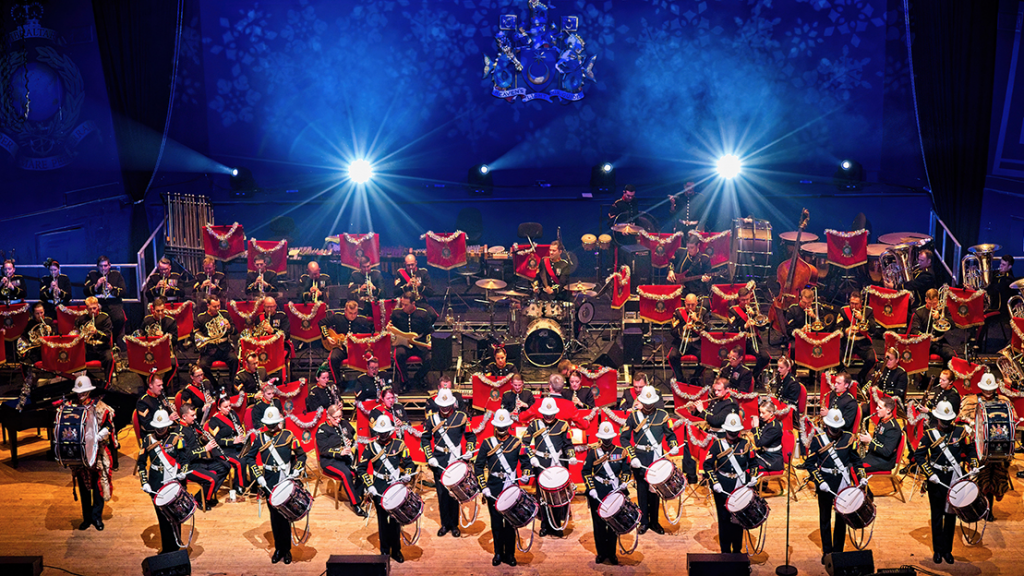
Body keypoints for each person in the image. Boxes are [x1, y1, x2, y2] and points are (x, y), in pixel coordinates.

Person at [621, 386, 690, 535]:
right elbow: (624, 438)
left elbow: (670, 435)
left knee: (655, 491)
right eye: (645, 402)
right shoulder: (634, 416)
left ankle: (654, 522)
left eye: (650, 402)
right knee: (642, 491)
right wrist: (632, 456)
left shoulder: (662, 415)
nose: (648, 405)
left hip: (657, 457)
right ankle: (644, 522)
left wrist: (673, 445)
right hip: (640, 458)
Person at [916, 400, 978, 565]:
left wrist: (974, 464)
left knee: (951, 515)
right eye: (943, 421)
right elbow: (919, 455)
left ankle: (947, 550)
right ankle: (937, 550)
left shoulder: (961, 432)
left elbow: (970, 450)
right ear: (937, 419)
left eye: (948, 421)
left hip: (954, 478)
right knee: (937, 515)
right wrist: (929, 474)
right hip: (936, 479)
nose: (945, 424)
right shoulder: (930, 435)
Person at [243, 406, 307, 564]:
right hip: (268, 480)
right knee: (274, 516)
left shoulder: (288, 436)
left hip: (285, 478)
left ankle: (287, 550)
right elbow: (249, 458)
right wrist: (258, 476)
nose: (271, 427)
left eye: (273, 424)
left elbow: (302, 455)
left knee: (286, 515)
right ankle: (279, 549)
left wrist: (297, 470)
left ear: (279, 422)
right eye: (269, 424)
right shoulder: (260, 438)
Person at [805, 408, 867, 563]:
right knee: (825, 517)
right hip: (825, 481)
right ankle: (827, 551)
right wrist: (820, 481)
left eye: (837, 428)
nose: (835, 431)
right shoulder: (818, 439)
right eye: (833, 428)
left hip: (843, 481)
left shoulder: (849, 438)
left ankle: (838, 551)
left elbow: (857, 461)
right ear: (827, 425)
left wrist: (862, 477)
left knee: (842, 518)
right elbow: (810, 464)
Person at [475, 409, 531, 567]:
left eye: (504, 426)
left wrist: (526, 474)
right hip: (493, 488)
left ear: (509, 426)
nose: (501, 429)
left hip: (511, 486)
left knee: (511, 522)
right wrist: (483, 487)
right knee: (497, 523)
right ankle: (498, 552)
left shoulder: (517, 443)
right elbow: (478, 466)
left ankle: (510, 554)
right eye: (499, 426)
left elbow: (526, 464)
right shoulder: (487, 443)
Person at [358, 415, 414, 563]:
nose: (382, 436)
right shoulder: (370, 447)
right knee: (382, 520)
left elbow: (409, 463)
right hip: (379, 486)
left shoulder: (399, 445)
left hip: (395, 485)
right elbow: (361, 468)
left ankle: (396, 550)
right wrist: (369, 485)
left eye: (385, 432)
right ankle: (384, 549)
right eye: (380, 433)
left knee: (395, 519)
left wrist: (407, 474)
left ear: (390, 431)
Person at [423, 389, 477, 537]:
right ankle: (444, 524)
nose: (445, 408)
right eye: (442, 405)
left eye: (447, 405)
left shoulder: (461, 417)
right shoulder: (432, 419)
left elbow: (471, 436)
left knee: (454, 494)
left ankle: (454, 525)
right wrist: (429, 457)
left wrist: (469, 450)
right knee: (442, 494)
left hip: (456, 459)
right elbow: (425, 439)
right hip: (439, 459)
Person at [64, 376, 115, 531]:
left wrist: (99, 436)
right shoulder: (71, 407)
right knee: (84, 488)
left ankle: (96, 517)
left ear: (89, 391)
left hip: (97, 453)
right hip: (80, 454)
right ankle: (86, 518)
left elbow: (109, 425)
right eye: (79, 392)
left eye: (84, 391)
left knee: (98, 486)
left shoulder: (99, 407)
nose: (81, 394)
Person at [137, 409, 189, 554]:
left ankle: (176, 547)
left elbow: (185, 460)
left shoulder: (176, 439)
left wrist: (183, 472)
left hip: (172, 482)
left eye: (163, 427)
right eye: (158, 428)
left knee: (175, 516)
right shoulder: (148, 440)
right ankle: (167, 549)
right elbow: (141, 463)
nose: (160, 430)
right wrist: (144, 482)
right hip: (156, 483)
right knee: (163, 518)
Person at [705, 413, 757, 553]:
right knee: (724, 518)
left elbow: (753, 463)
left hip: (740, 484)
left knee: (739, 518)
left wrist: (753, 477)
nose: (733, 434)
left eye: (735, 431)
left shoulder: (746, 444)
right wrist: (715, 482)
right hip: (722, 485)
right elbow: (707, 465)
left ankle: (737, 549)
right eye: (730, 431)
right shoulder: (717, 445)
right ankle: (725, 551)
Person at [960, 373, 1009, 519]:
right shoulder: (970, 400)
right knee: (979, 477)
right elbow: (962, 418)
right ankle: (976, 508)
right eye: (986, 389)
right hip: (977, 446)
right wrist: (970, 425)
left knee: (994, 479)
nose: (988, 392)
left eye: (990, 389)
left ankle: (988, 510)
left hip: (998, 447)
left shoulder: (1004, 401)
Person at [525, 397, 575, 537]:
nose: (548, 417)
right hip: (540, 463)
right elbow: (525, 443)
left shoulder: (563, 425)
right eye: (546, 414)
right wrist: (532, 457)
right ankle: (545, 525)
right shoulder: (535, 425)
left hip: (557, 463)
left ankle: (557, 525)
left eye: (551, 414)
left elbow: (568, 445)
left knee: (557, 496)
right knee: (542, 496)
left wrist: (571, 456)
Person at [583, 421, 631, 565]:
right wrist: (591, 488)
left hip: (614, 489)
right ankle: (601, 553)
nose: (606, 441)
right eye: (604, 438)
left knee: (613, 523)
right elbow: (586, 471)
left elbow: (626, 470)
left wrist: (624, 482)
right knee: (598, 523)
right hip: (598, 490)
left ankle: (611, 553)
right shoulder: (593, 453)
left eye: (609, 438)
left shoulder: (620, 452)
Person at [316, 403, 366, 517]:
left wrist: (349, 441)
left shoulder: (343, 423)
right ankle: (355, 504)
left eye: (340, 416)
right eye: (335, 418)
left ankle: (359, 495)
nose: (338, 420)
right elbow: (323, 450)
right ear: (328, 416)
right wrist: (339, 452)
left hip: (344, 458)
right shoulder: (322, 430)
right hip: (329, 461)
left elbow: (352, 435)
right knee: (346, 474)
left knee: (361, 469)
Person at [179, 402, 228, 511]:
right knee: (212, 479)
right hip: (190, 466)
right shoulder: (180, 433)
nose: (195, 417)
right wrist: (205, 449)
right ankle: (201, 500)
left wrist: (203, 440)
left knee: (225, 467)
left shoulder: (191, 425)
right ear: (184, 416)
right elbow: (187, 456)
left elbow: (196, 443)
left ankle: (205, 495)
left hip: (199, 460)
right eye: (192, 415)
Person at [320, 299, 374, 384]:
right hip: (341, 348)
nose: (353, 316)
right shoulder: (338, 317)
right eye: (350, 313)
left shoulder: (362, 321)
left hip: (357, 349)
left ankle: (367, 382)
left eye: (355, 313)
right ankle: (338, 382)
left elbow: (370, 334)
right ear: (345, 310)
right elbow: (322, 323)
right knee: (333, 358)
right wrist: (327, 336)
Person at [388, 291, 434, 392]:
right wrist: (389, 328)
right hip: (403, 343)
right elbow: (391, 327)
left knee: (431, 358)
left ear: (413, 303)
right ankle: (404, 381)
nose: (403, 307)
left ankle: (419, 377)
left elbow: (430, 331)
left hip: (419, 343)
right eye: (402, 304)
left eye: (406, 305)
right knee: (398, 355)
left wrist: (429, 342)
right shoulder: (396, 313)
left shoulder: (423, 314)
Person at [911, 288, 957, 385]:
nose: (933, 306)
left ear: (938, 301)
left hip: (939, 341)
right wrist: (924, 336)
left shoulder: (943, 310)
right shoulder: (919, 312)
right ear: (926, 300)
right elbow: (914, 330)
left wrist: (940, 317)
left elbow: (952, 325)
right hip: (924, 343)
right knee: (920, 356)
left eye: (935, 303)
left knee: (950, 355)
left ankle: (944, 380)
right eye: (930, 303)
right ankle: (923, 382)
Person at [728, 287, 770, 382]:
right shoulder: (733, 311)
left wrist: (754, 315)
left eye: (747, 299)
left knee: (765, 357)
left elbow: (763, 328)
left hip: (753, 340)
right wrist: (745, 326)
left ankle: (752, 378)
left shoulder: (754, 310)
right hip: (740, 341)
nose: (746, 302)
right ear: (739, 299)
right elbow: (731, 330)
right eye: (743, 300)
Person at [208, 396, 249, 493]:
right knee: (240, 462)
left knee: (249, 456)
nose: (229, 408)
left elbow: (238, 427)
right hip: (222, 450)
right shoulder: (214, 420)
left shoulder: (232, 414)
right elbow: (216, 441)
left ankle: (249, 482)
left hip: (234, 446)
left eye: (230, 405)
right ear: (219, 407)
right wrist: (233, 441)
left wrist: (240, 432)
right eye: (225, 407)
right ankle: (239, 486)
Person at [195, 295, 238, 389]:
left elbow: (235, 331)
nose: (217, 308)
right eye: (214, 306)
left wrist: (229, 327)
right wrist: (203, 340)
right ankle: (215, 385)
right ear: (208, 305)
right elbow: (195, 334)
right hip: (209, 349)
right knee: (203, 365)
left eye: (219, 306)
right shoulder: (201, 317)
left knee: (234, 360)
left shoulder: (225, 314)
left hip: (225, 347)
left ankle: (231, 384)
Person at [835, 289, 877, 385]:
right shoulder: (843, 310)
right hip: (847, 342)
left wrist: (862, 319)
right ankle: (844, 376)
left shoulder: (868, 311)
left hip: (862, 343)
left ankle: (861, 376)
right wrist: (846, 330)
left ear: (861, 302)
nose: (853, 306)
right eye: (851, 303)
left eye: (856, 304)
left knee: (871, 359)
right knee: (836, 357)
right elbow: (837, 328)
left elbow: (873, 330)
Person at [84, 256, 127, 344]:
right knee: (95, 319)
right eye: (101, 266)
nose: (103, 268)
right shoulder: (92, 275)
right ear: (97, 266)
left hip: (113, 303)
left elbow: (124, 292)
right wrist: (96, 285)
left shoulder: (116, 275)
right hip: (98, 303)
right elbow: (85, 291)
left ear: (109, 265)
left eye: (105, 266)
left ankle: (114, 340)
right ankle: (99, 340)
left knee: (119, 318)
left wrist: (112, 289)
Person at [859, 397, 902, 480]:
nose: (876, 409)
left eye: (880, 407)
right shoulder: (883, 420)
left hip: (884, 461)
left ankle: (862, 488)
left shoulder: (893, 428)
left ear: (888, 410)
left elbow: (887, 452)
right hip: (876, 455)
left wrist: (870, 441)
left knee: (855, 467)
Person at [75, 296, 114, 387]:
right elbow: (76, 333)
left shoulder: (105, 318)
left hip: (102, 348)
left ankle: (107, 384)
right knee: (75, 357)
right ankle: (84, 381)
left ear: (98, 307)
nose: (92, 311)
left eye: (94, 308)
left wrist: (97, 332)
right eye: (90, 309)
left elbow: (107, 336)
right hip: (88, 348)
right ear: (86, 309)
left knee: (109, 359)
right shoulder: (81, 319)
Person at [668, 294, 705, 385]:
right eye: (688, 305)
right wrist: (683, 328)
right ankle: (680, 379)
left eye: (693, 305)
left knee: (705, 358)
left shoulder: (703, 312)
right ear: (684, 303)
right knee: (672, 356)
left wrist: (697, 319)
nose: (690, 307)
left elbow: (708, 330)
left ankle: (694, 378)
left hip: (696, 343)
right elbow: (672, 331)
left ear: (696, 303)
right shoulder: (678, 313)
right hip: (681, 342)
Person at [136, 372, 177, 436]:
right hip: (153, 434)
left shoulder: (161, 396)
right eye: (159, 385)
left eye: (162, 385)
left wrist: (173, 411)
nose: (162, 387)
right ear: (150, 385)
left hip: (166, 430)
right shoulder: (143, 402)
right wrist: (168, 419)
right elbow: (147, 426)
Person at [752, 399, 784, 473]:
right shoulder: (767, 421)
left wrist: (755, 427)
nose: (761, 415)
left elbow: (758, 443)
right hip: (765, 453)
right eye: (760, 412)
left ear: (771, 413)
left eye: (763, 413)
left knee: (749, 464)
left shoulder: (774, 427)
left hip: (772, 459)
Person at [775, 357, 802, 427]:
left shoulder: (793, 383)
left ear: (788, 368)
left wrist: (777, 405)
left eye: (781, 368)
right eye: (778, 367)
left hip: (789, 412)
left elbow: (791, 402)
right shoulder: (780, 378)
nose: (778, 370)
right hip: (780, 407)